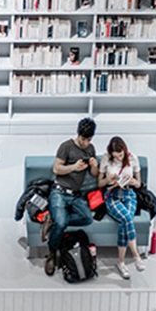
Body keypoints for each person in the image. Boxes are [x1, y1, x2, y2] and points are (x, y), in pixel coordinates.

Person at [41, 117, 98, 276]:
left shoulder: (90, 149)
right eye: (83, 139)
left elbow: (94, 175)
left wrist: (94, 166)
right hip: (59, 191)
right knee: (62, 222)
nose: (86, 143)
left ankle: (52, 221)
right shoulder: (66, 147)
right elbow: (56, 169)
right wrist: (73, 167)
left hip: (77, 195)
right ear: (78, 134)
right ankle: (52, 253)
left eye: (89, 139)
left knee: (87, 219)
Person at [97, 136, 145, 279]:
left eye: (120, 155)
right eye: (115, 155)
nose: (118, 158)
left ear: (124, 151)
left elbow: (139, 184)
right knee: (127, 218)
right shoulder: (106, 158)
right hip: (112, 195)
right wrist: (108, 179)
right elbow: (99, 184)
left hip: (128, 194)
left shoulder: (133, 158)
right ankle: (136, 257)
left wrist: (131, 180)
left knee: (125, 221)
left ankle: (121, 263)